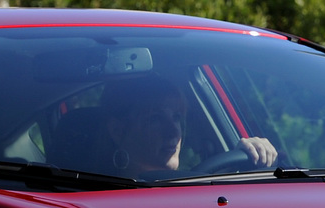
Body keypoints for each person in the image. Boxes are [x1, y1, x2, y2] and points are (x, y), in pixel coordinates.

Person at [100, 74, 277, 173]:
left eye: (176, 117)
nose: (173, 133)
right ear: (117, 131)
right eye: (155, 119)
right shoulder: (101, 199)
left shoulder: (195, 185)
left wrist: (254, 152)